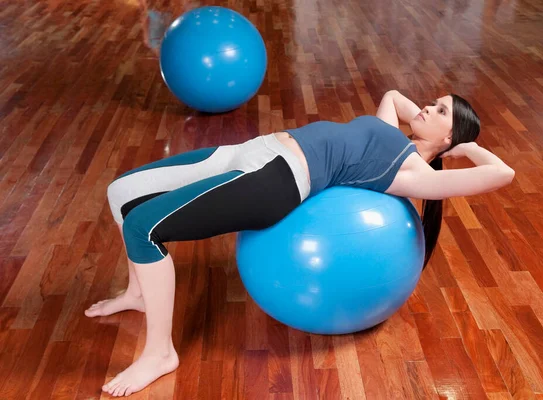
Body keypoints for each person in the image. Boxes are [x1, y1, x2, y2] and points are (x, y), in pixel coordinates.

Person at [85, 91, 515, 397]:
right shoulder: (392, 134)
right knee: (121, 192)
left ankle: (159, 352)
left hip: (276, 181)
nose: (425, 106)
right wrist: (434, 128)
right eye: (434, 100)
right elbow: (393, 96)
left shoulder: (416, 176)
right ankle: (139, 292)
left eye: (441, 110)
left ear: (449, 137)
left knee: (144, 226)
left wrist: (465, 148)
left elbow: (503, 175)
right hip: (255, 149)